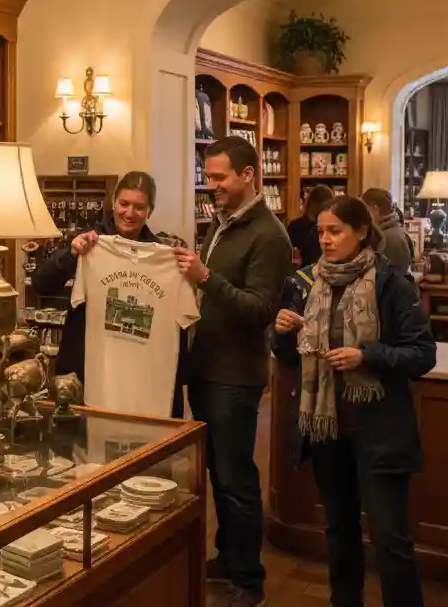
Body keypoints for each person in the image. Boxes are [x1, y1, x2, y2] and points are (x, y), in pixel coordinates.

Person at [272, 196, 434, 607]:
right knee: (339, 530)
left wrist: (367, 355)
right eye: (321, 232)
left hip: (380, 430)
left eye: (335, 231)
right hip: (327, 429)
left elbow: (422, 355)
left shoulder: (391, 284)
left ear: (362, 232)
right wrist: (282, 333)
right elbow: (290, 357)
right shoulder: (306, 283)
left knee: (389, 538)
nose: (325, 240)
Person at [174, 136, 291, 607]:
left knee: (237, 478)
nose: (212, 184)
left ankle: (249, 579)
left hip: (235, 377)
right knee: (217, 474)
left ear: (248, 174)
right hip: (207, 369)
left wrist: (205, 278)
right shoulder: (223, 224)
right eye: (208, 176)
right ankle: (227, 558)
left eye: (220, 177)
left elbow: (260, 310)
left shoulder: (269, 236)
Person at [31, 171, 162, 383]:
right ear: (114, 202)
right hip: (84, 361)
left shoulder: (159, 255)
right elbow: (41, 284)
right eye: (124, 204)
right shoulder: (88, 241)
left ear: (150, 211)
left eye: (139, 207)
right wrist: (71, 254)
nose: (129, 213)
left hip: (133, 364)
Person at [361, 187, 414, 271]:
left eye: (365, 210)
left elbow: (392, 275)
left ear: (375, 208)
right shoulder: (386, 232)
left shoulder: (391, 238)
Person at [288, 184, 336, 269]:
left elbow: (293, 255)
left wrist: (296, 265)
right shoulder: (330, 228)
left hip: (303, 271)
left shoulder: (295, 225)